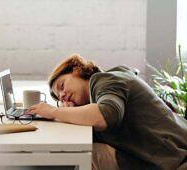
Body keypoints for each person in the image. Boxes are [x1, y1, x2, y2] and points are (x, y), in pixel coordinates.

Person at [27, 54, 187, 170]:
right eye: (59, 98)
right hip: (163, 155)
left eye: (62, 86)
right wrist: (69, 114)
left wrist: (54, 111)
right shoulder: (103, 88)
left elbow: (105, 115)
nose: (62, 96)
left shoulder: (105, 80)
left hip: (173, 159)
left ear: (77, 70)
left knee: (78, 155)